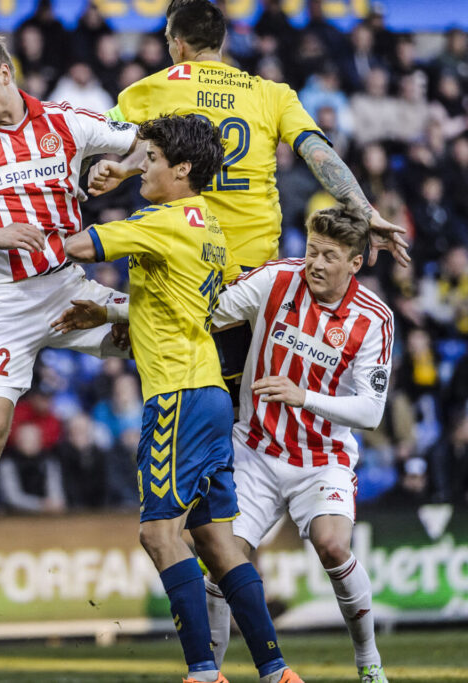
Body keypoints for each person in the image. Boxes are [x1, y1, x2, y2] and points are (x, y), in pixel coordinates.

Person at [55, 114, 301, 683]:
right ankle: (275, 670)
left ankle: (201, 671)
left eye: (153, 158)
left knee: (158, 533)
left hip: (175, 396)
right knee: (215, 539)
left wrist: (14, 221)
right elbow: (179, 303)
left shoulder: (159, 220)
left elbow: (76, 247)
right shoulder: (209, 223)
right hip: (211, 392)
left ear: (181, 168)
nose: (143, 167)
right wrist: (114, 310)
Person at [0, 27, 139, 638]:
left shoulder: (67, 122)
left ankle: (204, 510)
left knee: (158, 332)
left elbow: (145, 143)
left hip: (71, 287)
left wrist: (119, 171)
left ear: (5, 73)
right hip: (5, 305)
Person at [93, 0, 407, 396]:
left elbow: (100, 132)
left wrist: (118, 167)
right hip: (252, 271)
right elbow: (317, 153)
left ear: (178, 45)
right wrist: (366, 210)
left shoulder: (157, 86)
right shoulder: (270, 94)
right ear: (222, 41)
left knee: (179, 392)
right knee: (244, 397)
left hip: (184, 263)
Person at [203, 208, 393, 683]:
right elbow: (210, 314)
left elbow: (371, 413)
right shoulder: (276, 279)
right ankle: (208, 673)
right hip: (255, 447)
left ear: (356, 262)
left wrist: (302, 395)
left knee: (332, 546)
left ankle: (369, 662)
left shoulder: (374, 319)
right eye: (312, 249)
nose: (316, 263)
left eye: (330, 255)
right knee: (221, 559)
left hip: (322, 459)